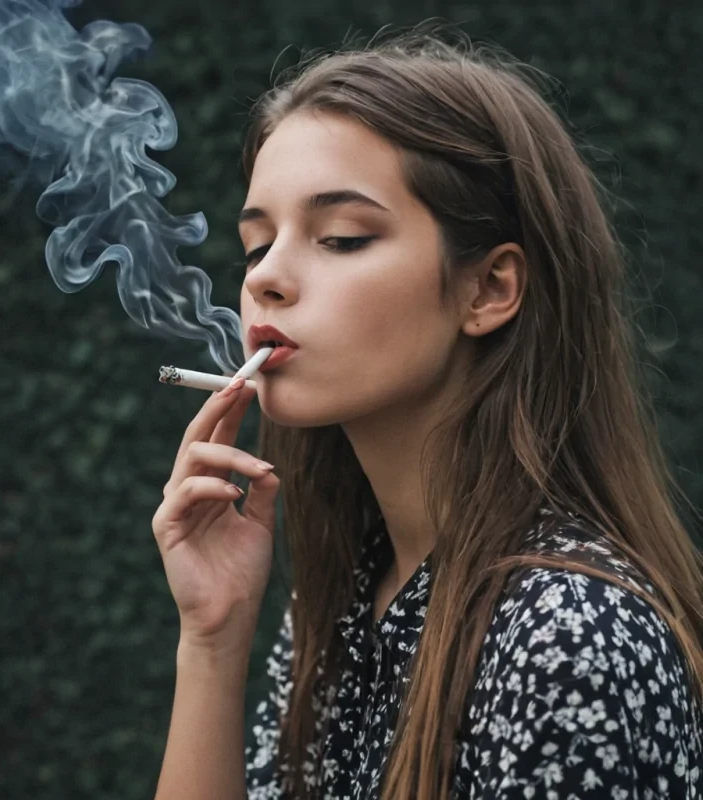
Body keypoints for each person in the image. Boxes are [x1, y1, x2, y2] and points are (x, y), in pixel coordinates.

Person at [150, 24, 703, 800]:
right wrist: (211, 641)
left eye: (340, 238)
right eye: (257, 244)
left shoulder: (570, 635)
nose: (266, 279)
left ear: (489, 290)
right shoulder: (341, 599)